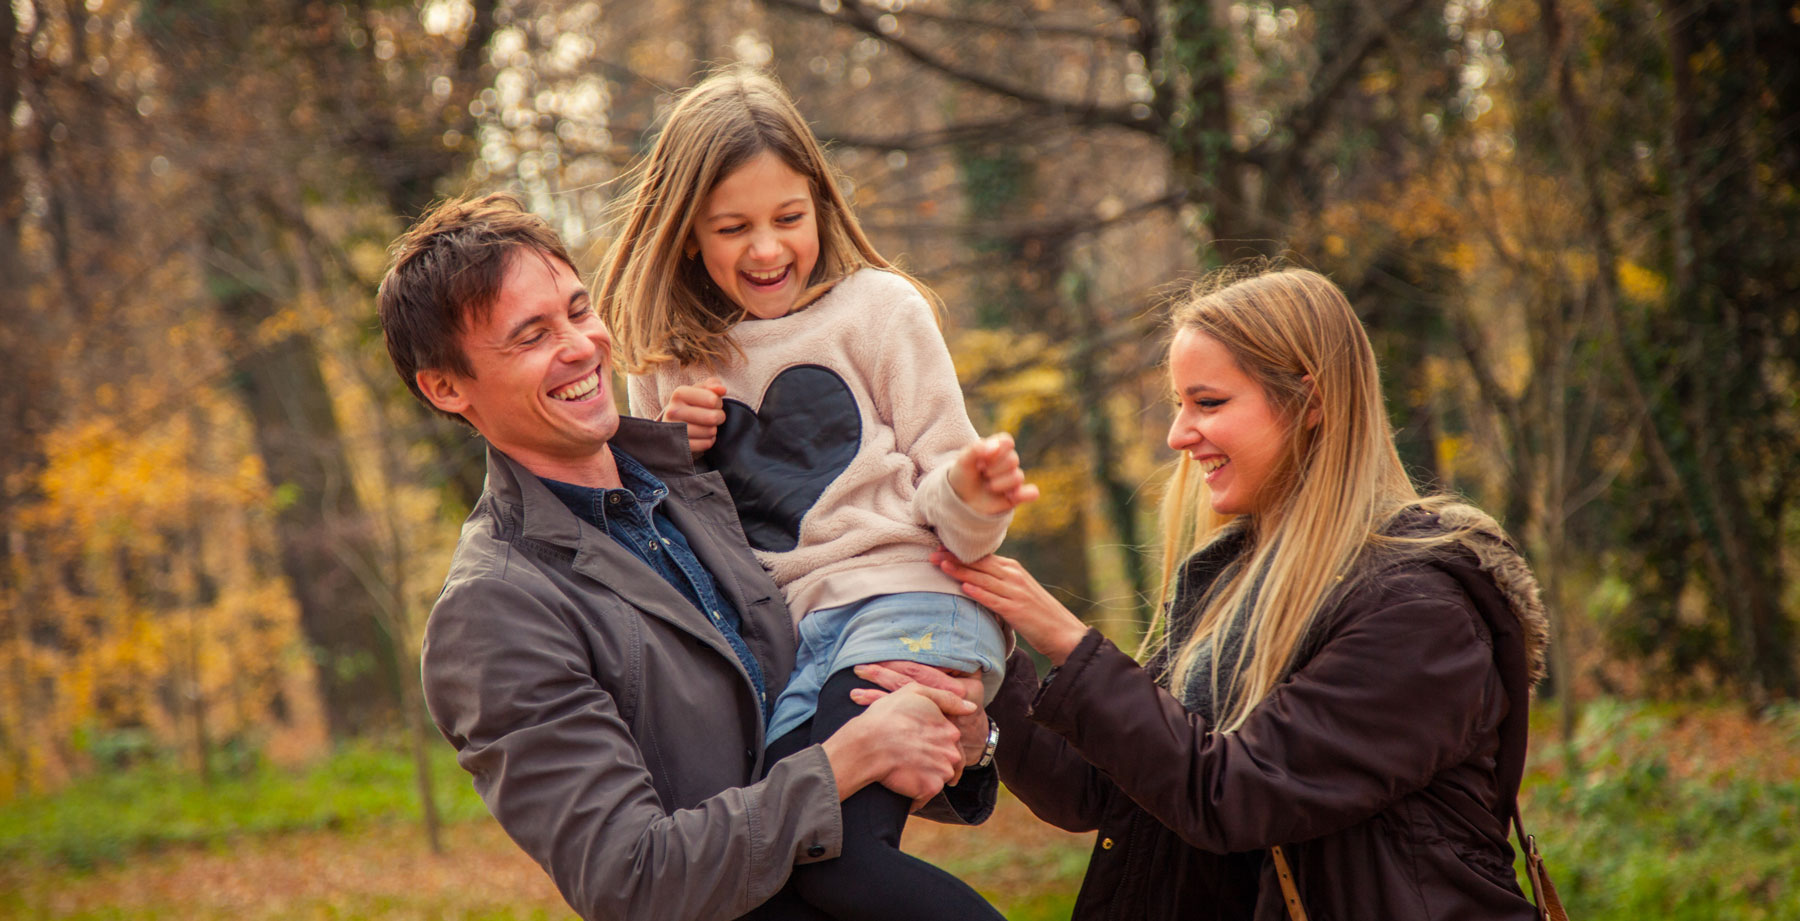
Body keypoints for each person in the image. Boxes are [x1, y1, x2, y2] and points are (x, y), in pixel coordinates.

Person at [376, 192, 998, 921]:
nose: (580, 345)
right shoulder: (495, 611)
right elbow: (633, 878)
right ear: (447, 387)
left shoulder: (696, 491)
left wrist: (969, 738)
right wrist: (849, 758)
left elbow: (823, 717)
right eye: (530, 336)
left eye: (579, 310)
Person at [923, 267, 1550, 919]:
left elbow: (1233, 792)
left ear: (1311, 402)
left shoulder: (1422, 609)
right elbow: (1104, 791)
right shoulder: (1225, 585)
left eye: (1209, 403)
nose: (1178, 434)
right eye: (1177, 403)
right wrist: (993, 702)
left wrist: (1069, 641)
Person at [601, 67, 1032, 921]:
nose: (767, 249)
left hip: (907, 600)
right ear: (687, 233)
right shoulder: (666, 361)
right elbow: (674, 553)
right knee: (774, 873)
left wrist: (976, 489)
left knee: (842, 860)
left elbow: (963, 523)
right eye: (734, 227)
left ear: (821, 209)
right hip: (800, 643)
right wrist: (672, 457)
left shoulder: (878, 310)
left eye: (788, 218)